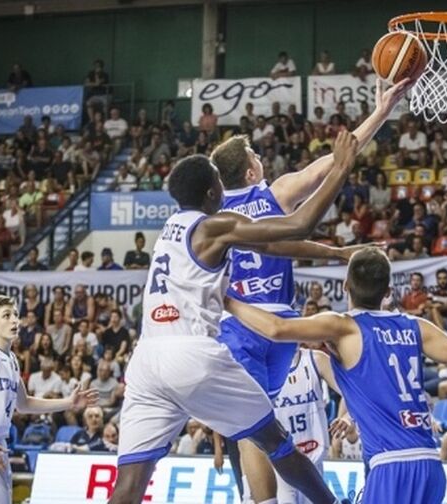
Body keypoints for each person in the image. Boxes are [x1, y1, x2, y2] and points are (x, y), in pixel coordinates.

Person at [109, 127, 365, 504]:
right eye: (219, 185)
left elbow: (275, 242)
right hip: (190, 353)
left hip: (146, 362)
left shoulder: (171, 229)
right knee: (274, 439)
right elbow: (297, 224)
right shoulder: (213, 225)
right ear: (213, 193)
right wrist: (340, 169)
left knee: (128, 488)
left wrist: (338, 253)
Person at [223, 247, 447, 503]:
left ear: (345, 287)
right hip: (430, 465)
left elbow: (276, 327)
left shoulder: (343, 328)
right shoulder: (415, 327)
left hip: (391, 466)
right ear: (389, 292)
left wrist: (227, 298)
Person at [209, 77, 412, 504]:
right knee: (269, 418)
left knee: (252, 424)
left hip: (246, 322)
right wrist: (381, 111)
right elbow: (334, 160)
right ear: (250, 171)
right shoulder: (276, 192)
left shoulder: (213, 215)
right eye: (255, 155)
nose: (260, 158)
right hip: (283, 320)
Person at [0, 296, 98, 504]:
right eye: (7, 316)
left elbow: (25, 403)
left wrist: (69, 403)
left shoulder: (11, 359)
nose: (14, 321)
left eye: (16, 316)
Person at [273, 347, 343, 504]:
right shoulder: (263, 366)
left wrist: (346, 417)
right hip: (279, 464)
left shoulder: (316, 359)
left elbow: (353, 392)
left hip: (314, 460)